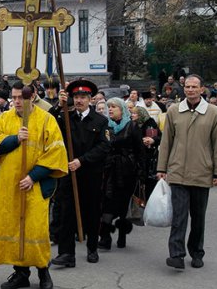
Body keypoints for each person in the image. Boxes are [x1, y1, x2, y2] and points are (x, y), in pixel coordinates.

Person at [0, 81, 68, 289]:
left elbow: (56, 153)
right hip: (10, 185)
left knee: (36, 229)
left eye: (19, 98)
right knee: (13, 227)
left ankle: (43, 271)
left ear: (31, 97)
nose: (15, 102)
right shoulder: (4, 118)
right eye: (13, 98)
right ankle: (21, 273)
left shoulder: (46, 120)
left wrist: (33, 176)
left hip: (35, 185)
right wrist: (15, 139)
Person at [157, 74, 217, 270]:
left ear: (202, 89)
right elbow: (166, 142)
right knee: (179, 216)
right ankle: (176, 255)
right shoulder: (174, 111)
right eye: (187, 86)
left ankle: (196, 252)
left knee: (198, 217)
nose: (190, 90)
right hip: (177, 172)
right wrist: (162, 168)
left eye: (194, 86)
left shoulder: (214, 113)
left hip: (202, 173)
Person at [51, 78, 110, 266]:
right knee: (66, 214)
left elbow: (103, 146)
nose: (79, 100)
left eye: (83, 96)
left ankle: (92, 248)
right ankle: (67, 253)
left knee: (91, 213)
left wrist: (82, 161)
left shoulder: (100, 120)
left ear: (90, 99)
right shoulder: (66, 118)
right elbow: (50, 124)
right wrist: (59, 106)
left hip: (90, 174)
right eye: (76, 96)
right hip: (68, 173)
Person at [98, 98, 144, 250]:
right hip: (108, 171)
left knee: (123, 205)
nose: (110, 109)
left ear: (122, 110)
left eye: (114, 107)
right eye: (108, 107)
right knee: (106, 203)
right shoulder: (105, 126)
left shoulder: (132, 126)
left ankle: (122, 236)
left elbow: (140, 151)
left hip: (126, 172)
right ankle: (105, 237)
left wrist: (140, 171)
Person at [133, 106, 161, 198]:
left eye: (134, 113)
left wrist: (151, 140)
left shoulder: (149, 123)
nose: (132, 115)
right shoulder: (132, 124)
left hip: (149, 158)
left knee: (149, 185)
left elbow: (156, 138)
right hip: (136, 158)